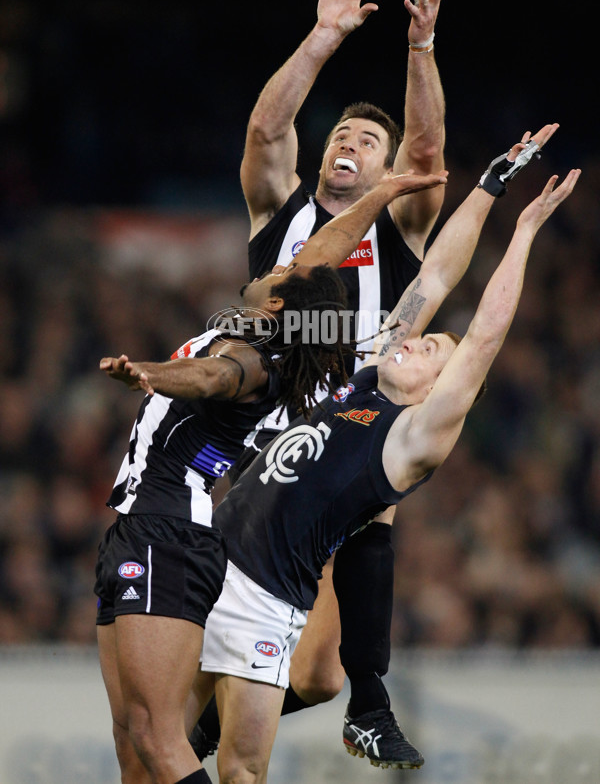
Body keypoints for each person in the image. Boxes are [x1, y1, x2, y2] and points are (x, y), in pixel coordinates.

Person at [186, 135, 580, 784]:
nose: (416, 343)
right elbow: (435, 277)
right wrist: (491, 187)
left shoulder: (412, 435)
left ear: (439, 390)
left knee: (236, 770)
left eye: (431, 353)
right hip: (217, 553)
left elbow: (483, 337)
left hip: (265, 590)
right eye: (422, 340)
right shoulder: (371, 376)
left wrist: (527, 231)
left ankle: (361, 701)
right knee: (154, 745)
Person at [94, 168, 445, 784]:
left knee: (158, 738)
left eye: (280, 276)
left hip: (169, 525)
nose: (273, 269)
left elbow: (209, 380)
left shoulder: (254, 357)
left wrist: (146, 373)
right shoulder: (274, 329)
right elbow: (322, 256)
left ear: (280, 304)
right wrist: (383, 194)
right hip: (145, 523)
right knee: (135, 747)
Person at [191, 0, 452, 766]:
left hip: (346, 430)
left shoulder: (396, 227)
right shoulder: (280, 212)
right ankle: (367, 703)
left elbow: (427, 149)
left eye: (368, 140)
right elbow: (269, 131)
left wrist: (419, 50)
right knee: (373, 511)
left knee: (318, 676)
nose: (351, 142)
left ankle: (193, 742)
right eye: (342, 132)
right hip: (267, 443)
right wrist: (323, 35)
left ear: (384, 168)